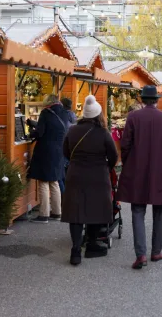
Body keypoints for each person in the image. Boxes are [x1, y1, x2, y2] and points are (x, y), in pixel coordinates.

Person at [116, 85, 162, 269]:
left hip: (138, 170)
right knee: (160, 210)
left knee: (138, 210)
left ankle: (141, 255)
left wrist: (130, 163)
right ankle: (156, 252)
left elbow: (125, 145)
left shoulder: (133, 117)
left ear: (142, 100)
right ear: (156, 100)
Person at [62, 95, 118, 265]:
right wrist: (106, 167)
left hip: (75, 175)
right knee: (95, 210)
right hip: (97, 177)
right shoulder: (103, 133)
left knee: (76, 214)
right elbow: (113, 156)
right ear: (98, 115)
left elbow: (66, 152)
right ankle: (92, 245)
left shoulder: (72, 130)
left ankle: (76, 250)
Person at [27, 94, 68, 224]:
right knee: (54, 181)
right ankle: (57, 212)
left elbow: (40, 132)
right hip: (59, 150)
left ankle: (43, 214)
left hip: (46, 150)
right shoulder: (65, 113)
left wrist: (31, 133)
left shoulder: (46, 112)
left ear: (48, 102)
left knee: (43, 182)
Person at [58, 97, 77, 193]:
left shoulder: (62, 117)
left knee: (61, 177)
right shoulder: (73, 117)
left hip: (63, 149)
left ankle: (65, 200)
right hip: (71, 149)